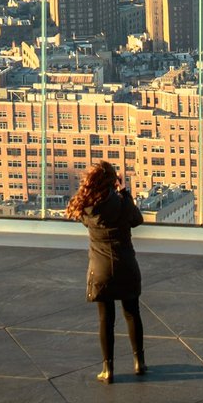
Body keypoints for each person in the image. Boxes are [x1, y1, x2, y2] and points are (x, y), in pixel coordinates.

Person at [66, 160, 146, 384]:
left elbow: (82, 215)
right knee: (132, 314)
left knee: (106, 320)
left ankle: (107, 369)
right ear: (113, 181)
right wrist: (125, 194)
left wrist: (90, 191)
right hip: (126, 265)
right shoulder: (123, 204)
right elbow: (137, 221)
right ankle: (139, 362)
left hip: (101, 270)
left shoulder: (88, 207)